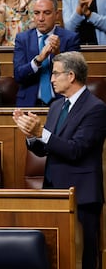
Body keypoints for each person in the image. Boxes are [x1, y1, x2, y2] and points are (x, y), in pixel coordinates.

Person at [12, 51, 106, 269]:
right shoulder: (56, 106)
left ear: (71, 75)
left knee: (86, 257)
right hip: (53, 190)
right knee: (55, 252)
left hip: (82, 195)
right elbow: (47, 148)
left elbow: (76, 150)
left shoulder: (96, 108)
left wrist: (41, 131)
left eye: (55, 74)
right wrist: (31, 134)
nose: (51, 79)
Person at [13, 0, 80, 107]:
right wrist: (38, 60)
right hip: (30, 103)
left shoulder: (70, 38)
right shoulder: (22, 39)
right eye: (37, 13)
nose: (41, 18)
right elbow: (18, 75)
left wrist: (58, 55)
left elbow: (76, 75)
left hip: (61, 101)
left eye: (47, 13)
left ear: (56, 15)